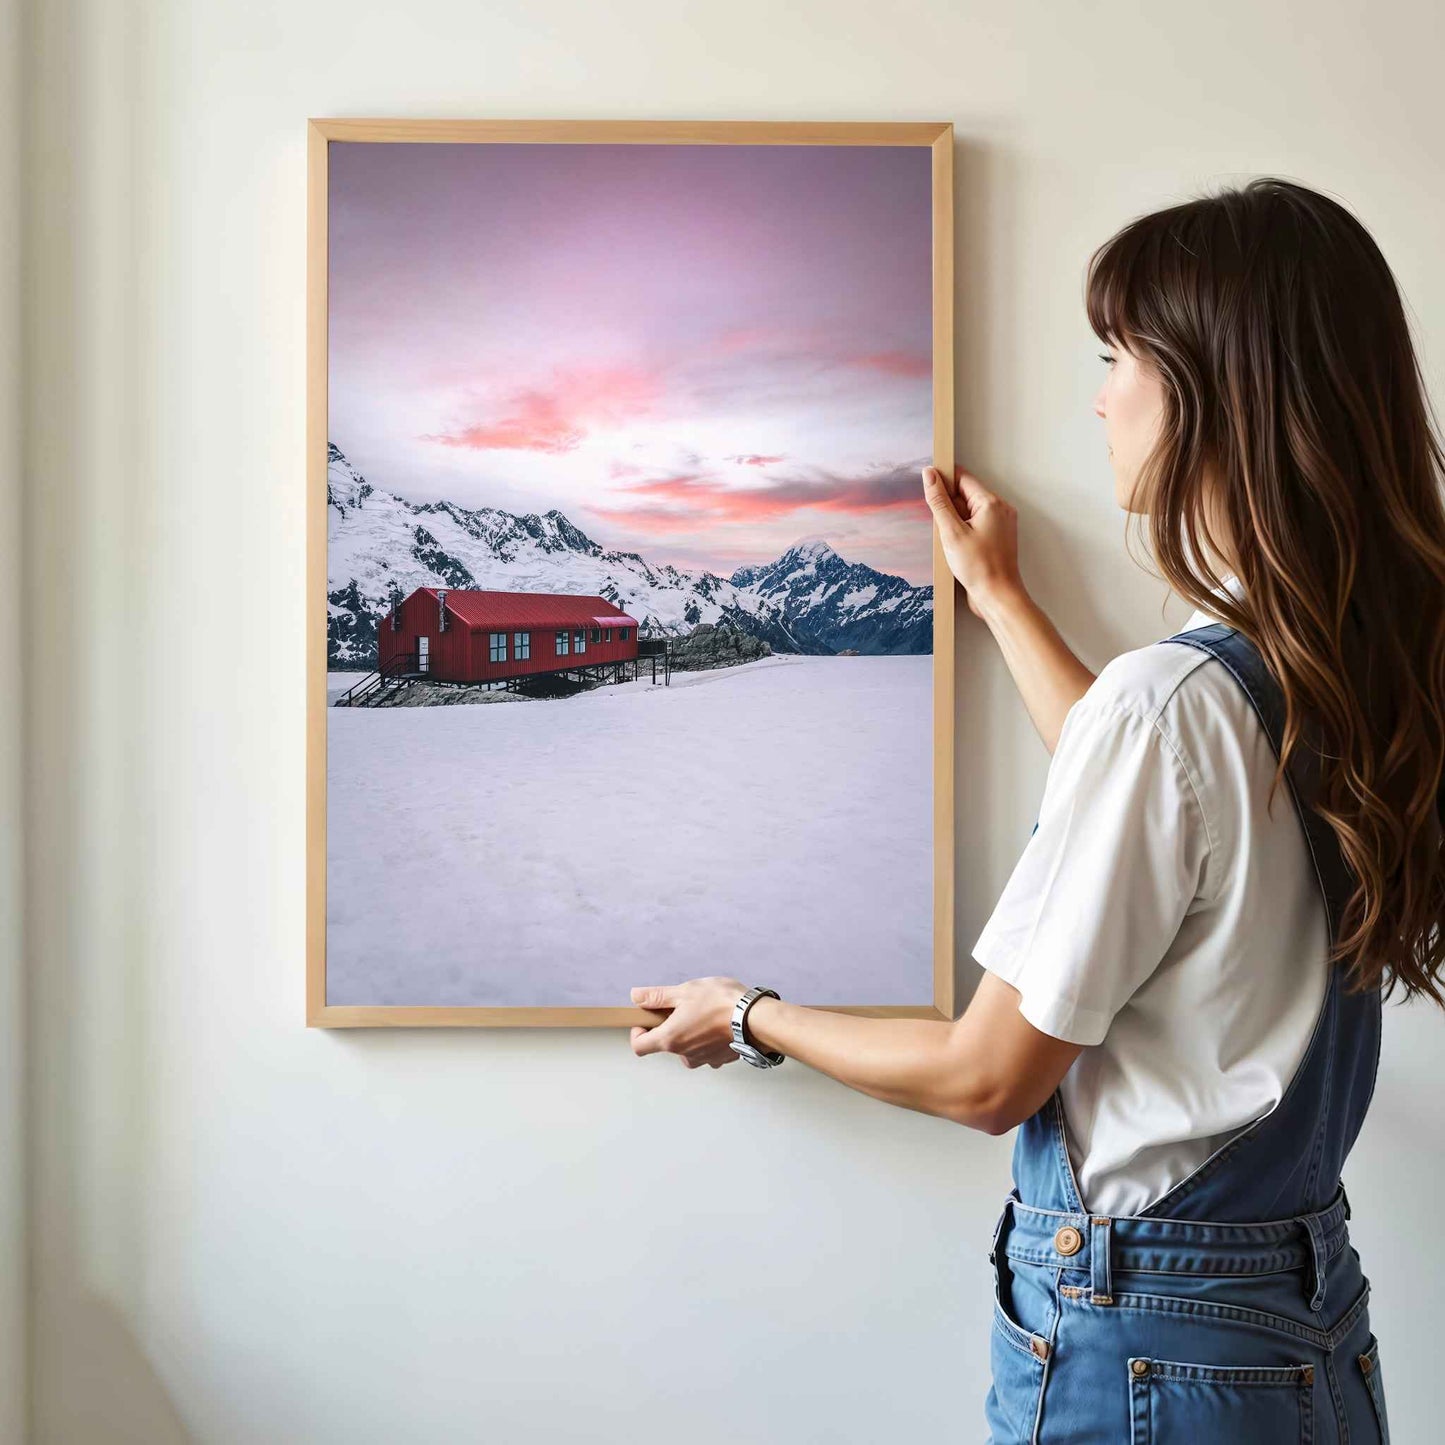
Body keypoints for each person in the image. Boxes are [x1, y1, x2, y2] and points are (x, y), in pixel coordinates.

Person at [627, 176, 1445, 1442]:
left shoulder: (1173, 702)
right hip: (1297, 1325)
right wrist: (1001, 597)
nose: (1099, 393)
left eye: (1118, 355)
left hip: (1147, 1350)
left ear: (1214, 391)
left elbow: (984, 1075)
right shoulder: (1336, 667)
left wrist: (746, 1012)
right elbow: (1166, 819)